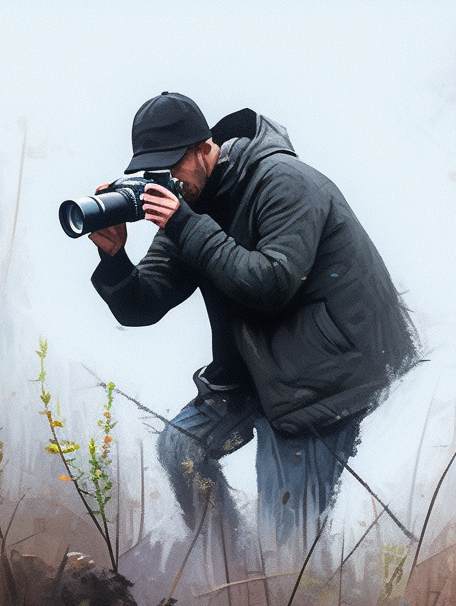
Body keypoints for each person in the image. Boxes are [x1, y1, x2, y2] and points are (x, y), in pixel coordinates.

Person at [89, 92, 419, 555]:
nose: (166, 180)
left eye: (172, 165)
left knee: (287, 537)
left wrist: (185, 225)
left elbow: (272, 283)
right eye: (152, 169)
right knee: (180, 450)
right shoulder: (192, 207)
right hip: (258, 371)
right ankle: (231, 568)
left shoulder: (284, 181)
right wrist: (114, 256)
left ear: (205, 149)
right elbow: (144, 305)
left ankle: (278, 602)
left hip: (328, 377)